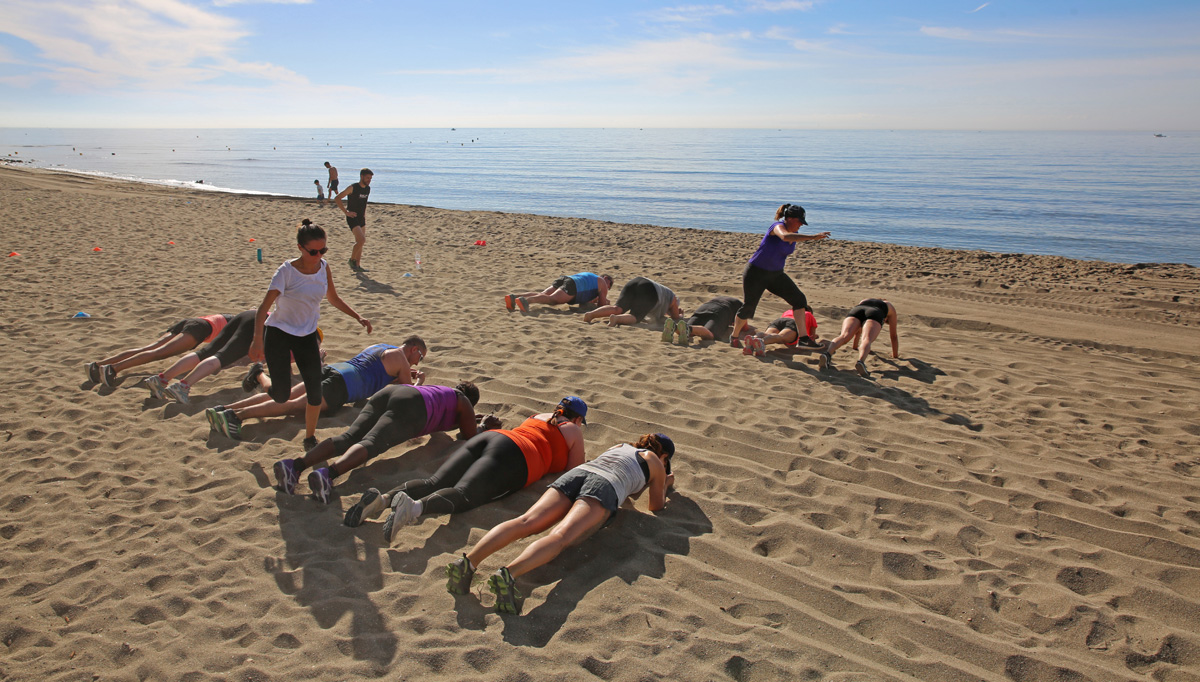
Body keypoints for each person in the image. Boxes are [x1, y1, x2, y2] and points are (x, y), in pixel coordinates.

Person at [445, 433, 675, 615]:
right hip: (604, 486)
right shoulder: (653, 460)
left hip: (579, 474)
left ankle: (468, 563)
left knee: (525, 521)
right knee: (561, 536)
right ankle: (509, 575)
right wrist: (664, 483)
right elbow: (656, 505)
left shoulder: (620, 446)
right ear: (663, 457)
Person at [345, 397, 588, 544]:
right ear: (578, 419)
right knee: (465, 494)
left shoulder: (539, 416)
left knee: (435, 481)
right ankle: (414, 509)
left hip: (495, 438)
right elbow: (573, 471)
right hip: (518, 457)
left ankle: (382, 499)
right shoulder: (573, 430)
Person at [249, 219, 372, 450]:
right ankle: (258, 376)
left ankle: (309, 437)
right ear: (300, 248)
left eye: (323, 250)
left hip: (306, 335)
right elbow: (263, 308)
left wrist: (357, 316)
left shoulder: (324, 267)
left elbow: (333, 298)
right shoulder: (286, 272)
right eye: (313, 251)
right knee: (282, 396)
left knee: (315, 392)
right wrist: (257, 340)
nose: (318, 255)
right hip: (279, 334)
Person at [271, 381, 495, 506]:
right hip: (413, 406)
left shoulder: (443, 393)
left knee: (349, 437)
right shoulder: (463, 401)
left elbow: (447, 426)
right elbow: (468, 436)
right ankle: (327, 475)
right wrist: (483, 426)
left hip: (394, 391)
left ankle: (295, 466)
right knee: (372, 443)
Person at [207, 337, 426, 441]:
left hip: (335, 370)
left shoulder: (383, 346)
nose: (417, 362)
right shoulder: (401, 360)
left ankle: (224, 408)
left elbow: (375, 373)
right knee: (292, 406)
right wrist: (419, 382)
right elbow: (404, 393)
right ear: (414, 349)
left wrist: (401, 373)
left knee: (289, 395)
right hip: (343, 385)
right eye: (420, 356)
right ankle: (236, 416)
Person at [729, 203, 830, 347]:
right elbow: (784, 237)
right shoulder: (776, 227)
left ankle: (803, 339)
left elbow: (790, 238)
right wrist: (813, 237)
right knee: (749, 307)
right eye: (799, 221)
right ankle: (734, 336)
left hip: (775, 275)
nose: (801, 225)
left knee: (799, 300)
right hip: (756, 272)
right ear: (789, 218)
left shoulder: (794, 235)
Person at [86, 313, 234, 387]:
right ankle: (113, 369)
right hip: (201, 329)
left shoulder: (242, 317)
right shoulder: (251, 325)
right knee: (159, 353)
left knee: (150, 348)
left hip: (194, 321)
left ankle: (97, 366)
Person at [145, 310, 256, 403]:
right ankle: (182, 387)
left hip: (246, 315)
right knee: (221, 358)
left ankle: (161, 380)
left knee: (205, 353)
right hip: (258, 324)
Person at [818, 299, 899, 377]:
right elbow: (893, 336)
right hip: (875, 313)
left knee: (844, 336)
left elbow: (858, 330)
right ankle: (861, 361)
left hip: (857, 310)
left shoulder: (865, 300)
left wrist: (855, 346)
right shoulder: (889, 306)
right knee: (866, 339)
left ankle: (827, 354)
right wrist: (895, 355)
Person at [582, 277, 680, 328]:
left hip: (636, 281)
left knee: (617, 308)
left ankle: (591, 315)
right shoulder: (673, 298)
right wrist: (680, 315)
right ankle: (616, 319)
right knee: (635, 317)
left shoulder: (665, 294)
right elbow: (675, 317)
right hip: (650, 290)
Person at [505, 273, 613, 313]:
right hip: (574, 286)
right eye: (610, 285)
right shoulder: (602, 282)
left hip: (567, 279)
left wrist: (595, 299)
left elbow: (584, 303)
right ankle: (526, 301)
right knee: (552, 300)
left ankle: (514, 297)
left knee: (544, 294)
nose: (608, 288)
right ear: (606, 278)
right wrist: (605, 302)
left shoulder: (592, 279)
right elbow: (601, 306)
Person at [334, 168, 373, 272]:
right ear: (362, 177)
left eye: (371, 178)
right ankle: (351, 260)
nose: (369, 180)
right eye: (367, 178)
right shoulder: (353, 187)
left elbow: (363, 203)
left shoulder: (368, 189)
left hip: (361, 218)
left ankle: (357, 265)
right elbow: (337, 198)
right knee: (361, 240)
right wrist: (346, 212)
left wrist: (364, 215)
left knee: (360, 243)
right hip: (352, 217)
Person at [742, 306, 822, 356]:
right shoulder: (808, 314)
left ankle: (753, 339)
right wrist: (814, 338)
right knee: (780, 337)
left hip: (779, 320)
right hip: (793, 323)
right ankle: (762, 342)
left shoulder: (789, 311)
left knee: (767, 334)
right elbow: (811, 336)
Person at [663, 295, 742, 345]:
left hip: (703, 308)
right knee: (709, 334)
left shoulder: (720, 298)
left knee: (688, 331)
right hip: (721, 311)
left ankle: (675, 328)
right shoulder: (741, 306)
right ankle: (686, 329)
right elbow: (742, 324)